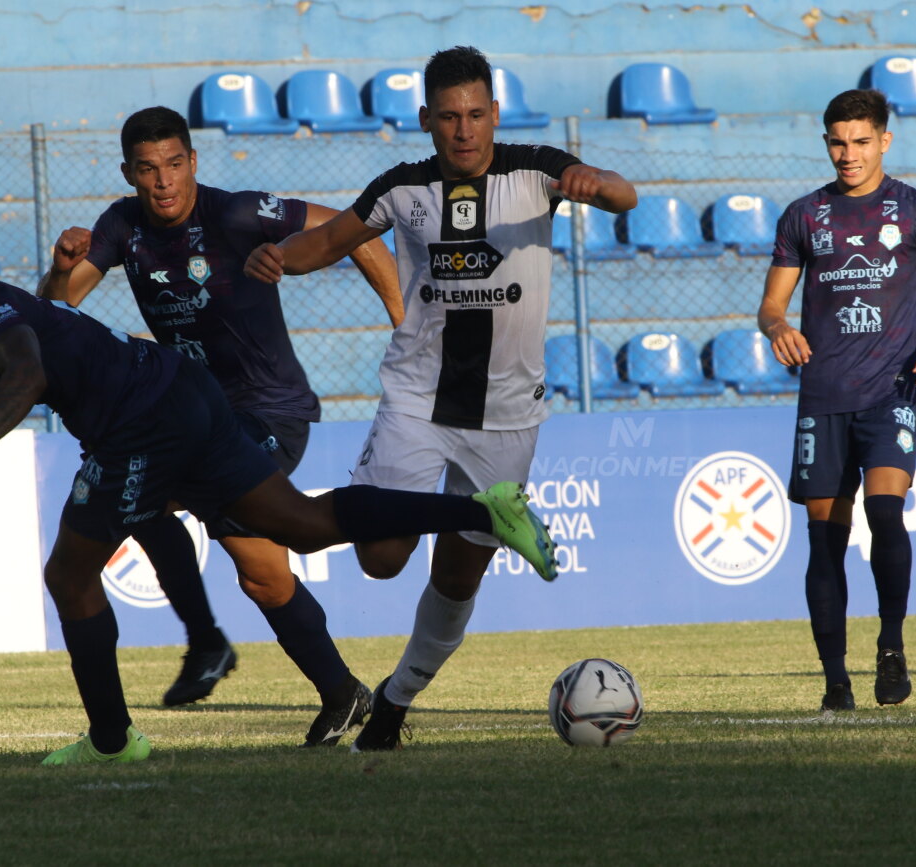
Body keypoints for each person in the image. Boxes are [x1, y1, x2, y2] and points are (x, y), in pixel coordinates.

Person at [0, 222, 555, 765]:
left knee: (70, 573)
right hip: (177, 394)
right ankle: (483, 508)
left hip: (142, 419)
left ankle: (112, 739)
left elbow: (26, 375)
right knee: (303, 525)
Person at [245, 45, 637, 751]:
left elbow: (623, 193)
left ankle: (394, 702)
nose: (465, 130)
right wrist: (279, 258)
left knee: (457, 575)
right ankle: (482, 510)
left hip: (507, 413)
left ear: (494, 114)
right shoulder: (401, 189)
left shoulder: (535, 171)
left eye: (477, 114)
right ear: (426, 118)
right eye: (450, 116)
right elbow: (328, 241)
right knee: (381, 555)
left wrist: (595, 182)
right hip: (417, 397)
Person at [37, 106, 403, 747]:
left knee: (220, 533)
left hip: (269, 414)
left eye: (175, 164)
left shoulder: (236, 214)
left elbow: (358, 231)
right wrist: (62, 266)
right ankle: (330, 687)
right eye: (148, 169)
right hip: (191, 417)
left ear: (193, 163)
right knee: (256, 567)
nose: (164, 182)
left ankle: (222, 645)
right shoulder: (121, 227)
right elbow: (52, 315)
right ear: (129, 173)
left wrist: (407, 324)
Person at [756, 89, 916, 712]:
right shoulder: (804, 215)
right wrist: (778, 329)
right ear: (826, 143)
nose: (847, 153)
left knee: (885, 513)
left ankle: (891, 646)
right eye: (836, 141)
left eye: (859, 141)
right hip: (823, 396)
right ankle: (834, 682)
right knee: (824, 538)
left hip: (893, 391)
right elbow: (771, 306)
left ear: (884, 140)